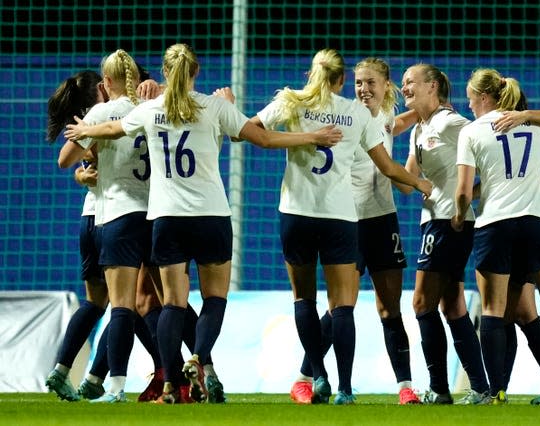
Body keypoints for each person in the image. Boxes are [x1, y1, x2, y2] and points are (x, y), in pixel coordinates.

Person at [63, 43, 345, 404]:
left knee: (172, 305)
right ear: (196, 72)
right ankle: (197, 358)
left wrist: (83, 129)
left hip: (166, 218)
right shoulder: (215, 107)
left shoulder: (151, 109)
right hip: (211, 216)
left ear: (165, 74)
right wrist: (312, 137)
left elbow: (114, 128)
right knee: (214, 300)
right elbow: (264, 138)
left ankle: (170, 386)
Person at [251, 49, 433, 405]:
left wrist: (424, 111)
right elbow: (387, 160)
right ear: (346, 83)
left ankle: (404, 387)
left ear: (386, 86)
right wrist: (420, 183)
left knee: (389, 307)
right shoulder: (349, 115)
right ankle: (307, 376)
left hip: (381, 218)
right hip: (347, 217)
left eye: (370, 83)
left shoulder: (383, 116)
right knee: (339, 307)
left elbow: (395, 125)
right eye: (358, 83)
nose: (363, 89)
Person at [452, 67, 540, 405]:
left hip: (494, 226)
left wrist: (457, 213)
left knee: (495, 309)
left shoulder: (472, 132)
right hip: (536, 224)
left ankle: (496, 392)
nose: (469, 107)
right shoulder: (536, 127)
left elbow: (464, 190)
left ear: (483, 98)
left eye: (470, 100)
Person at [58, 49, 157, 403]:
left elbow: (64, 158)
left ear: (107, 82)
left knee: (121, 306)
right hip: (155, 214)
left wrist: (85, 156)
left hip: (114, 214)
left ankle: (112, 382)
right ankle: (185, 370)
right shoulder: (150, 110)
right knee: (156, 302)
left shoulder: (101, 113)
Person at [394, 63, 492, 405]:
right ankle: (479, 387)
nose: (404, 87)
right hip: (434, 221)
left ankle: (439, 389)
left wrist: (467, 199)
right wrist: (374, 155)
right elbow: (407, 183)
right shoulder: (418, 130)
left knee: (422, 302)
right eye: (403, 83)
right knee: (452, 305)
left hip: (449, 223)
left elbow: (486, 148)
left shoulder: (452, 123)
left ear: (432, 86)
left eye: (410, 82)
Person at [44, 70, 108, 402]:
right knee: (133, 305)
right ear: (103, 87)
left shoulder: (89, 123)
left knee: (96, 302)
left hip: (89, 219)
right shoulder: (107, 116)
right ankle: (98, 378)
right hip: (116, 219)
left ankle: (60, 370)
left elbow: (63, 160)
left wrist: (82, 172)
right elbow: (66, 159)